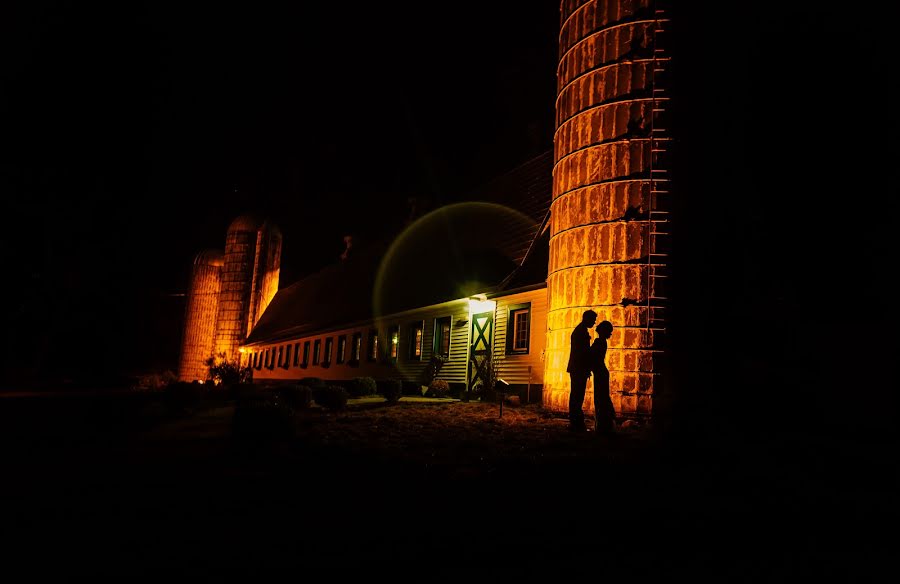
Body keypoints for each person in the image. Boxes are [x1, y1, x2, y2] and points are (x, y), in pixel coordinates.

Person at [566, 309, 597, 431]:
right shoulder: (581, 332)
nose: (594, 323)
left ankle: (576, 422)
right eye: (593, 320)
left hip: (577, 368)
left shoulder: (580, 330)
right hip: (578, 368)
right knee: (577, 396)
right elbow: (581, 353)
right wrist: (586, 368)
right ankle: (576, 423)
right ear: (587, 318)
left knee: (576, 395)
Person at [591, 320, 615, 436]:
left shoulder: (598, 342)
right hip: (602, 371)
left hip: (599, 372)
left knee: (600, 398)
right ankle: (606, 424)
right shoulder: (603, 342)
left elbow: (592, 356)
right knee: (604, 397)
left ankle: (602, 425)